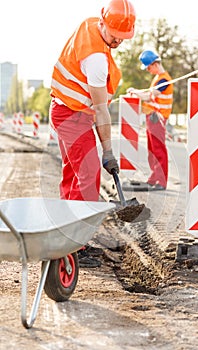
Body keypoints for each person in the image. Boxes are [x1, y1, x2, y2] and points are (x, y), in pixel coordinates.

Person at [49, 0, 136, 267]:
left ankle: (66, 237)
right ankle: (77, 244)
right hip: (73, 116)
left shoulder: (90, 25)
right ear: (104, 23)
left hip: (64, 108)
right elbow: (101, 111)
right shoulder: (97, 60)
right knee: (89, 178)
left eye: (123, 37)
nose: (118, 42)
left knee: (72, 174)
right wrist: (107, 151)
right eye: (115, 36)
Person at [128, 50, 173, 190]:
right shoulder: (158, 78)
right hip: (152, 117)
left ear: (154, 64)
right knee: (152, 150)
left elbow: (148, 96)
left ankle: (161, 181)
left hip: (157, 118)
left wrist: (135, 92)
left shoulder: (164, 79)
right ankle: (154, 178)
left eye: (148, 67)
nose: (148, 70)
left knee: (158, 149)